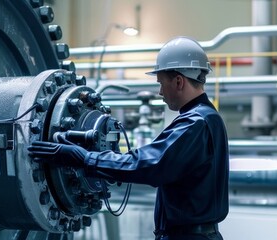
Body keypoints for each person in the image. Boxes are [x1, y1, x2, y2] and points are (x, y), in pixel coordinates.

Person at [28, 37, 229, 240]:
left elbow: (147, 165)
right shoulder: (208, 118)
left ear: (178, 81)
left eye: (161, 83)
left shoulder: (194, 123)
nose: (160, 92)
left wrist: (84, 158)